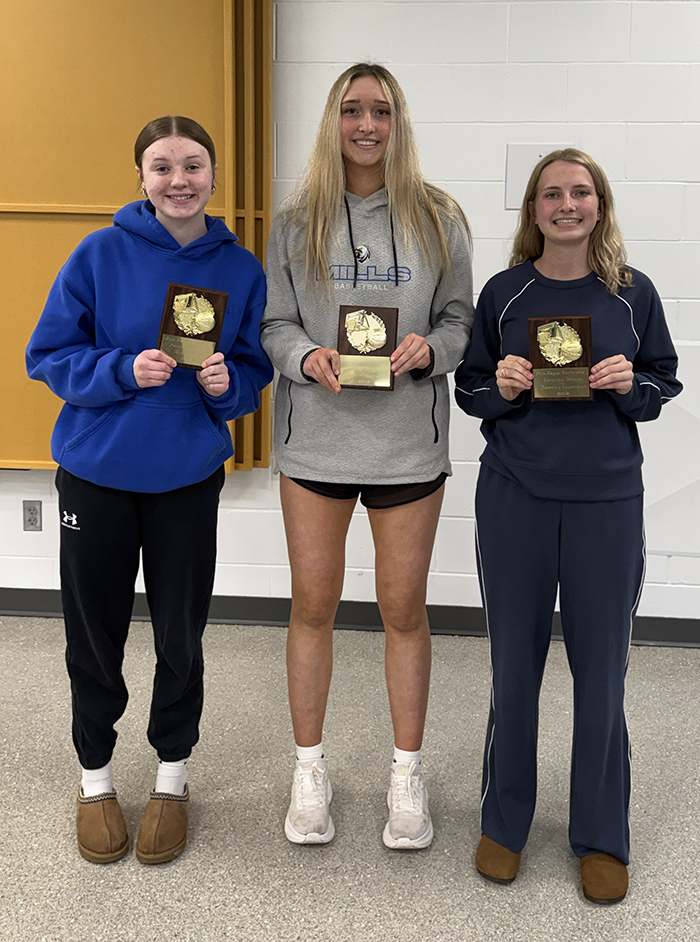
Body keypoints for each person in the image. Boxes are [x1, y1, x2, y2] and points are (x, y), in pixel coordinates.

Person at [26, 116, 273, 865]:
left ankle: (172, 776)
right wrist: (120, 371)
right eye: (162, 166)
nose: (178, 180)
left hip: (186, 479)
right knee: (93, 634)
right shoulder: (97, 253)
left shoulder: (240, 269)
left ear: (214, 175)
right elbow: (48, 354)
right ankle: (95, 778)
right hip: (96, 474)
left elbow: (252, 368)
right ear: (140, 177)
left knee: (179, 634)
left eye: (193, 165)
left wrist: (230, 387)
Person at [454, 148, 681, 902]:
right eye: (551, 194)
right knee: (513, 668)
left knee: (602, 674)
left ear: (600, 205)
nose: (567, 205)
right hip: (515, 498)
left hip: (606, 502)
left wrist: (629, 385)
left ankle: (602, 835)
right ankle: (504, 822)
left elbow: (662, 383)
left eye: (581, 192)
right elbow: (470, 389)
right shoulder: (504, 292)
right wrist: (502, 386)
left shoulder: (631, 293)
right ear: (533, 210)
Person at [261, 63, 473, 849]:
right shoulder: (296, 222)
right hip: (316, 439)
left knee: (403, 610)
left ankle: (405, 776)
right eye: (352, 110)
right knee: (312, 605)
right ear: (334, 121)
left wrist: (430, 350)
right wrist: (305, 357)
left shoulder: (439, 217)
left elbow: (461, 320)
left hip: (406, 448)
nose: (366, 125)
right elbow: (274, 324)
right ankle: (308, 770)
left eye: (381, 111)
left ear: (398, 122)